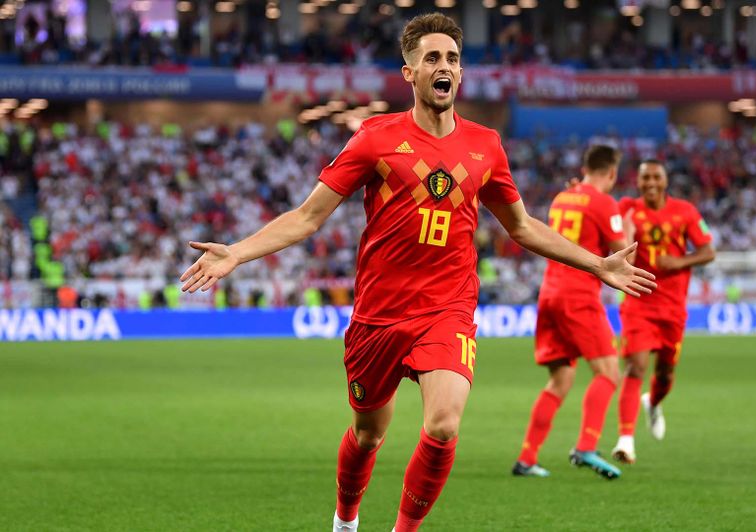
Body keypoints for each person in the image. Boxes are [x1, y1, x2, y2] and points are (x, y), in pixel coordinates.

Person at [179, 13, 656, 532]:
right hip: (378, 316)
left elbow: (521, 226)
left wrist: (596, 263)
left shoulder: (485, 146)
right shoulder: (373, 139)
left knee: (445, 424)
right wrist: (237, 253)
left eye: (452, 57)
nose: (444, 66)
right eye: (432, 58)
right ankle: (345, 519)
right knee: (367, 435)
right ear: (409, 73)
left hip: (447, 308)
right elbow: (307, 216)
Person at [513, 145, 628, 481]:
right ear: (612, 172)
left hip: (549, 294)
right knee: (608, 372)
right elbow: (623, 254)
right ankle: (586, 446)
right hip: (578, 296)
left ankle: (527, 457)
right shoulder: (605, 203)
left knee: (560, 379)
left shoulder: (562, 198)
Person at [610, 159, 715, 465]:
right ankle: (626, 440)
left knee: (665, 373)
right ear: (638, 182)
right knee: (636, 367)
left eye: (656, 177)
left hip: (672, 308)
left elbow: (709, 252)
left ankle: (653, 403)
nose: (651, 182)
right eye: (645, 178)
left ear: (665, 181)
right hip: (637, 302)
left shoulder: (686, 212)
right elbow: (606, 223)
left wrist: (679, 262)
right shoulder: (627, 207)